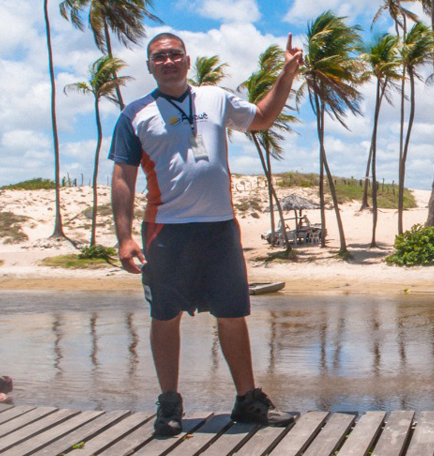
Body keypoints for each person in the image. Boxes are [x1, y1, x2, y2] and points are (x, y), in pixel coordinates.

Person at [109, 32, 303, 437]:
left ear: (187, 60)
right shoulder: (135, 115)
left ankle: (248, 400)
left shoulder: (216, 98)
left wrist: (286, 74)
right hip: (166, 231)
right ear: (149, 66)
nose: (168, 61)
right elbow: (123, 177)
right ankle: (169, 404)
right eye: (159, 57)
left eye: (174, 54)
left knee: (233, 314)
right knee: (165, 316)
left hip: (219, 229)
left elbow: (263, 118)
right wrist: (124, 237)